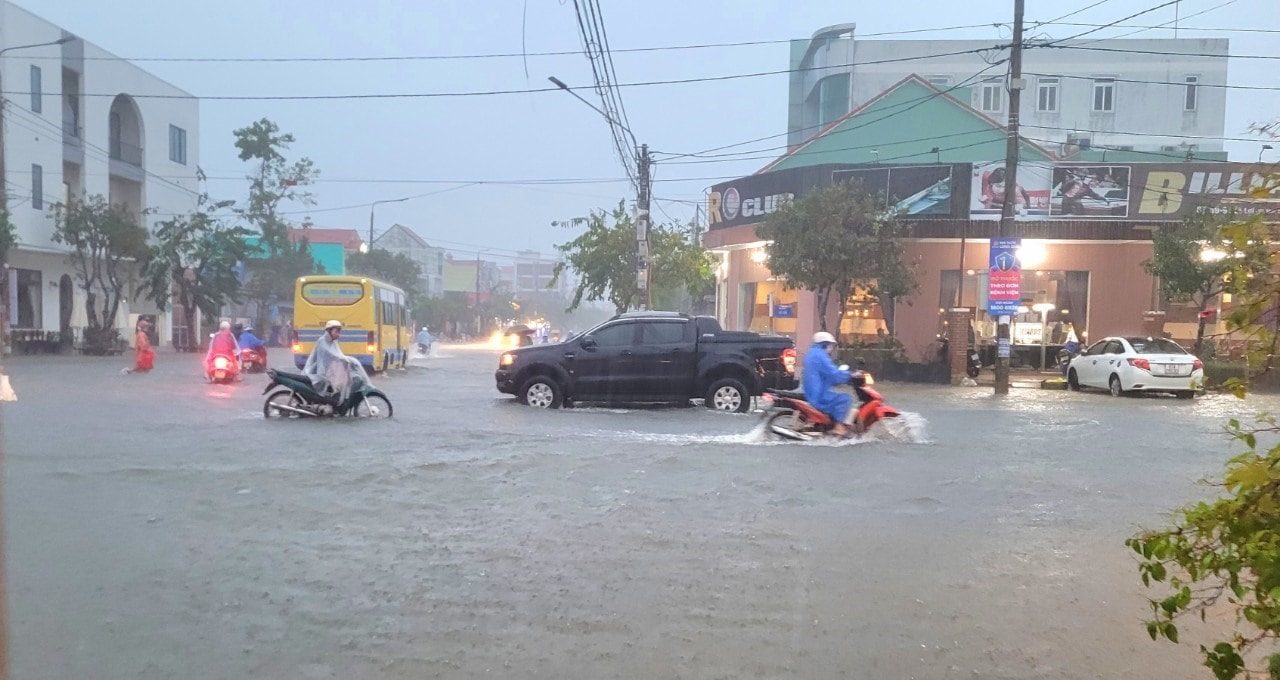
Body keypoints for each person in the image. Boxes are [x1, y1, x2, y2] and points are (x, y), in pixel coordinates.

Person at [303, 319, 371, 404]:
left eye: (339, 332)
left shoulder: (333, 342)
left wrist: (349, 360)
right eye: (336, 331)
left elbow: (339, 354)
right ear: (329, 331)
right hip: (318, 370)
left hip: (329, 368)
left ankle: (337, 398)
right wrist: (343, 359)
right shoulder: (322, 341)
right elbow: (331, 355)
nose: (338, 334)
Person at [802, 331, 855, 437]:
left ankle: (829, 423)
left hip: (813, 389)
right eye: (831, 345)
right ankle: (839, 427)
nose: (831, 348)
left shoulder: (812, 353)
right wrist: (850, 375)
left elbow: (825, 375)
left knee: (838, 397)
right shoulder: (820, 356)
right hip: (817, 394)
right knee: (845, 399)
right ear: (824, 344)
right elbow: (833, 372)